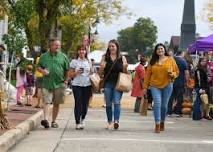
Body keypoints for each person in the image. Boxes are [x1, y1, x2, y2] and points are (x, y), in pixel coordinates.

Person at [144, 43, 179, 133]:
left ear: (164, 50)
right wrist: (145, 87)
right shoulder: (152, 61)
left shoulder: (170, 59)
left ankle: (162, 121)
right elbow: (147, 75)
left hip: (168, 85)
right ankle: (157, 124)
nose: (160, 50)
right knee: (157, 104)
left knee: (164, 106)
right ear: (156, 51)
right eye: (158, 49)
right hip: (155, 85)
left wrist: (173, 74)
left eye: (162, 49)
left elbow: (176, 71)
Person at [38, 38, 69, 129]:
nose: (58, 47)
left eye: (59, 45)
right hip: (47, 83)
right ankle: (46, 120)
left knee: (56, 103)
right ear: (51, 46)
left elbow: (67, 70)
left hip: (59, 83)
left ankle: (53, 121)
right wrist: (43, 71)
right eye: (56, 45)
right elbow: (38, 67)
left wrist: (66, 81)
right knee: (47, 101)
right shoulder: (44, 56)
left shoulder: (63, 57)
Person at [99, 39, 128, 130]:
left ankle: (116, 121)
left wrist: (125, 68)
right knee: (108, 104)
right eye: (110, 46)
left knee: (116, 102)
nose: (111, 48)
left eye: (113, 46)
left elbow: (125, 72)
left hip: (119, 83)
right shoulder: (105, 57)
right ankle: (109, 122)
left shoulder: (122, 58)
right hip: (108, 83)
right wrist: (101, 68)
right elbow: (100, 73)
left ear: (117, 47)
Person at [69, 44, 92, 130]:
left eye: (83, 50)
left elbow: (91, 73)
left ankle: (83, 119)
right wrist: (76, 73)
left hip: (87, 85)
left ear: (86, 52)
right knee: (78, 103)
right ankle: (77, 122)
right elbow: (70, 74)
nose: (82, 51)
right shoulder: (74, 62)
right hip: (77, 85)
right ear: (78, 51)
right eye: (80, 50)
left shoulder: (88, 61)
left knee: (85, 104)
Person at [167, 51, 189, 117]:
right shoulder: (183, 61)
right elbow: (186, 73)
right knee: (179, 98)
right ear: (182, 54)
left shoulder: (171, 60)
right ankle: (177, 112)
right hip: (180, 82)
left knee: (171, 97)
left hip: (171, 81)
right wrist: (187, 81)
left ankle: (169, 112)